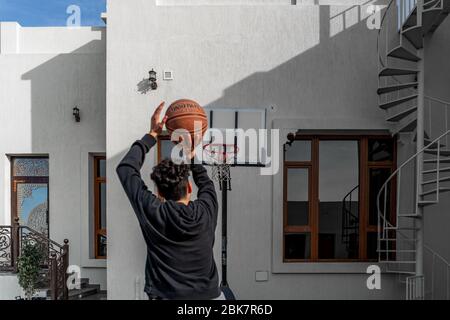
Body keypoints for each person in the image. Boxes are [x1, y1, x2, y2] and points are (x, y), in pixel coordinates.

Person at [116, 102, 222, 300]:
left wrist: (151, 135)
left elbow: (125, 169)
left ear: (160, 193)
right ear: (190, 188)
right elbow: (207, 184)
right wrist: (191, 154)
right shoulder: (207, 209)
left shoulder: (153, 211)